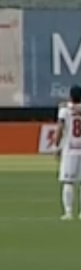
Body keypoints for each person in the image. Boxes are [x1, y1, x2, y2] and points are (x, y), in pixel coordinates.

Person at [56, 85, 81, 220]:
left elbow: (59, 129)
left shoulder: (64, 110)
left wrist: (56, 146)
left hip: (70, 150)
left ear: (71, 96)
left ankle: (69, 212)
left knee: (68, 181)